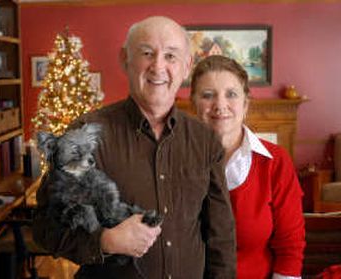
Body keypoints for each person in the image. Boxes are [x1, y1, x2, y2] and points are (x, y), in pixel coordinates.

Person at [33, 17, 236, 279]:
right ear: (125, 59)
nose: (158, 66)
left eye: (171, 56)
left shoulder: (204, 140)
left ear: (186, 67)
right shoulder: (85, 134)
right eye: (147, 53)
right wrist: (104, 241)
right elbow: (44, 228)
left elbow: (221, 238)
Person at [190, 55, 305, 279]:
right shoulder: (176, 162)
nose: (220, 105)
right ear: (194, 104)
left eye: (231, 94)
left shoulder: (276, 162)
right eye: (208, 95)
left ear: (245, 104)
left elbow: (290, 247)